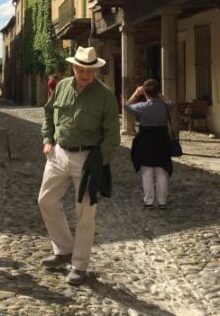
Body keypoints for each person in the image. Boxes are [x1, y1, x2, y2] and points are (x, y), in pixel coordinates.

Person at [38, 46, 120, 286]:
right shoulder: (62, 86)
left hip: (87, 158)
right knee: (46, 201)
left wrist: (98, 163)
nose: (85, 74)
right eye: (81, 69)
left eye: (89, 70)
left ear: (95, 70)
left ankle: (79, 265)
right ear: (73, 67)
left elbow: (113, 136)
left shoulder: (105, 96)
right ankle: (63, 249)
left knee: (85, 213)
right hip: (59, 153)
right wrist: (47, 139)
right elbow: (47, 112)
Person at [125, 79, 174, 210]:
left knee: (147, 172)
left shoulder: (143, 107)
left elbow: (126, 106)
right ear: (158, 92)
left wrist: (136, 94)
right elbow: (171, 103)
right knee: (161, 172)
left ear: (145, 93)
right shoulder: (165, 106)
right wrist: (160, 95)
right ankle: (162, 201)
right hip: (162, 140)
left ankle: (149, 201)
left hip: (146, 141)